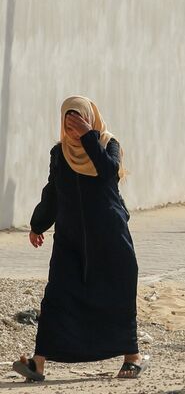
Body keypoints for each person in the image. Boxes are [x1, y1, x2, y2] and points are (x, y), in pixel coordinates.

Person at [13, 96, 146, 382]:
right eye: (68, 121)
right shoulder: (59, 153)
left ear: (90, 119)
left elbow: (107, 173)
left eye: (79, 120)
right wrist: (38, 224)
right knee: (57, 297)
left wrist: (89, 138)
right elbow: (53, 191)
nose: (73, 127)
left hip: (110, 237)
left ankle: (132, 357)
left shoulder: (108, 144)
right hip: (70, 240)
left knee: (118, 294)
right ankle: (38, 364)